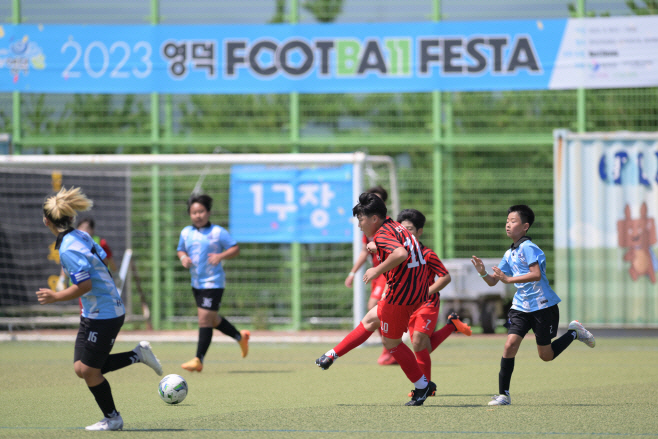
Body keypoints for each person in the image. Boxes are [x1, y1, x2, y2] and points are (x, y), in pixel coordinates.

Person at [36, 186, 163, 431]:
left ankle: (113, 419)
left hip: (105, 313)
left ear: (46, 221)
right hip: (94, 312)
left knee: (91, 372)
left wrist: (56, 296)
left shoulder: (68, 248)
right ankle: (138, 355)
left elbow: (85, 285)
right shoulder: (82, 236)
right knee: (80, 368)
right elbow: (101, 259)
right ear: (71, 218)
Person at [315, 192, 436, 406]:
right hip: (415, 291)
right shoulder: (396, 227)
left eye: (360, 220)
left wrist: (375, 270)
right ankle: (331, 355)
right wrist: (376, 247)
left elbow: (400, 254)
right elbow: (402, 247)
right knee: (370, 320)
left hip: (401, 295)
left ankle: (422, 385)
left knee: (392, 343)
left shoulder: (382, 234)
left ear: (373, 218)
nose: (359, 225)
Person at [470, 204, 595, 406]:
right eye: (507, 221)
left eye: (513, 221)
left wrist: (509, 280)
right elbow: (494, 281)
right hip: (521, 307)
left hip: (543, 306)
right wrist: (483, 271)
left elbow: (536, 274)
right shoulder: (509, 253)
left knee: (546, 356)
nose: (508, 225)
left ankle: (574, 332)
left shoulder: (529, 247)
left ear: (525, 226)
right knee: (510, 345)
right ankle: (504, 395)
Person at [393, 209, 472, 397]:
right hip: (408, 306)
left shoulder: (427, 254)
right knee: (423, 347)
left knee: (419, 342)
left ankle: (425, 388)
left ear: (419, 232)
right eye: (402, 230)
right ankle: (452, 325)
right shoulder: (397, 256)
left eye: (410, 229)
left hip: (427, 303)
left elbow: (445, 277)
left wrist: (424, 292)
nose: (406, 233)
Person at [177, 194, 249, 372]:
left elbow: (235, 248)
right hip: (196, 283)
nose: (198, 215)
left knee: (204, 320)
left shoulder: (218, 232)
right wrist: (183, 258)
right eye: (194, 212)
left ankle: (198, 360)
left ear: (208, 212)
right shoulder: (186, 232)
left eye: (201, 211)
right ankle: (240, 337)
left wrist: (221, 256)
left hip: (214, 283)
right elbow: (180, 249)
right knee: (213, 319)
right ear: (189, 214)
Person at [344, 185, 395, 365]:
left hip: (386, 272)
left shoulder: (388, 226)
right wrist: (352, 273)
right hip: (376, 274)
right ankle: (391, 347)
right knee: (377, 310)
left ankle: (390, 347)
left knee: (374, 306)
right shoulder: (368, 225)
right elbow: (365, 251)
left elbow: (400, 253)